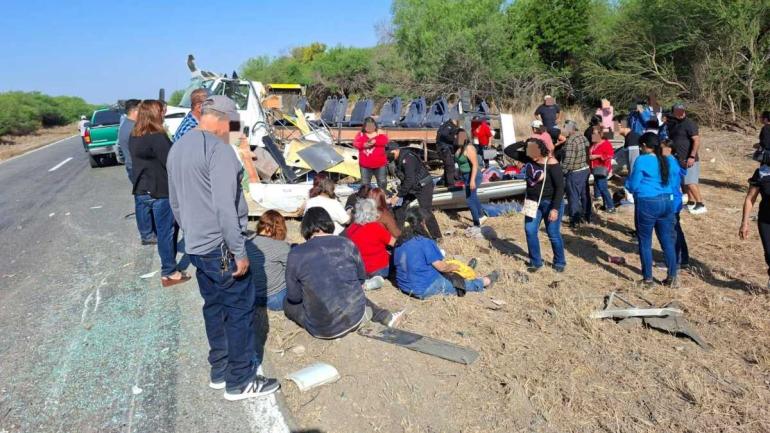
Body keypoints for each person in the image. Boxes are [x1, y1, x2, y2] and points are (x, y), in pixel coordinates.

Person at [167, 95, 279, 400]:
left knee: (213, 307)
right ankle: (241, 380)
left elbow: (175, 203)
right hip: (221, 247)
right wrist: (238, 250)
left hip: (197, 246)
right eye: (233, 124)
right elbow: (225, 207)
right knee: (239, 311)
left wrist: (192, 233)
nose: (235, 130)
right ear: (220, 119)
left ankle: (220, 369)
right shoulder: (220, 151)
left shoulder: (177, 148)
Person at [284, 207, 403, 339]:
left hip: (323, 329)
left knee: (287, 302)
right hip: (355, 316)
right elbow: (361, 279)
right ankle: (380, 315)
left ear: (305, 227)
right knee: (348, 288)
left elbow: (294, 297)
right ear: (328, 223)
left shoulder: (296, 253)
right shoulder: (347, 244)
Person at [129, 100, 188, 287]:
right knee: (167, 232)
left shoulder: (135, 134)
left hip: (143, 190)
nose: (164, 114)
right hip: (160, 191)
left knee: (163, 231)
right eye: (163, 111)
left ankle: (169, 268)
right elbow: (171, 162)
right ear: (156, 113)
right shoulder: (157, 136)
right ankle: (170, 272)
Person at [393, 207, 498, 298]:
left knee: (447, 270)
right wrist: (454, 267)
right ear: (421, 223)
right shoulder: (424, 242)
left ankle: (467, 272)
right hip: (422, 288)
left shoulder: (400, 241)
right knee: (459, 283)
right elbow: (442, 267)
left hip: (404, 286)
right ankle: (485, 282)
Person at [624, 132, 680, 287]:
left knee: (645, 241)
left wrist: (626, 185)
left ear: (643, 146)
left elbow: (634, 184)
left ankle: (648, 279)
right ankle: (673, 276)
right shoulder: (667, 159)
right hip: (667, 201)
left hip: (648, 201)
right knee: (667, 240)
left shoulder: (641, 160)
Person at [522, 138, 566, 272]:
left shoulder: (552, 163)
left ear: (541, 150)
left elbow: (560, 188)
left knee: (552, 233)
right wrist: (525, 143)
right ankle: (536, 262)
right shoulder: (529, 161)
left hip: (550, 203)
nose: (532, 156)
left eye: (534, 152)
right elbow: (509, 150)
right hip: (533, 203)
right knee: (530, 230)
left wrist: (555, 209)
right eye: (529, 152)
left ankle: (559, 261)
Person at [387, 143, 442, 239]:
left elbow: (410, 180)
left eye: (389, 153)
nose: (387, 155)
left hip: (423, 186)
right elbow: (405, 180)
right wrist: (398, 194)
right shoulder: (397, 159)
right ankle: (398, 233)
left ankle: (436, 236)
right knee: (399, 208)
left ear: (395, 150)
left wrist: (398, 195)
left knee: (425, 211)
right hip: (412, 187)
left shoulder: (408, 158)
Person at [668, 103, 706, 214]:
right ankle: (691, 202)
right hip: (679, 159)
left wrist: (692, 156)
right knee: (685, 182)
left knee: (691, 182)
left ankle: (700, 204)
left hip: (690, 159)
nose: (680, 113)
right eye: (677, 111)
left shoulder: (690, 124)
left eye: (682, 111)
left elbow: (696, 140)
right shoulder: (674, 124)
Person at [249, 210, 290, 311]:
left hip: (253, 296)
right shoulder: (281, 246)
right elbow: (291, 271)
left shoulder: (248, 242)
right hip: (277, 297)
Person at [345, 199, 396, 278]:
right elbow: (394, 243)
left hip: (360, 270)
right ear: (373, 212)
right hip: (379, 269)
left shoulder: (351, 228)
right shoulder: (376, 227)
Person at [739, 163, 770, 289]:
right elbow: (750, 199)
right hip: (766, 220)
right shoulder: (762, 173)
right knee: (769, 253)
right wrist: (744, 223)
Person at [660, 139, 689, 268]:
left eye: (661, 148)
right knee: (676, 229)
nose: (659, 150)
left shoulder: (669, 163)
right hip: (675, 199)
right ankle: (682, 259)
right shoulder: (673, 161)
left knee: (672, 231)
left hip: (671, 200)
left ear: (669, 149)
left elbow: (667, 183)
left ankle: (676, 260)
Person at [560, 120, 592, 227]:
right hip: (585, 169)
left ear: (569, 129)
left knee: (573, 196)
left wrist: (562, 172)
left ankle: (575, 220)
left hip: (575, 172)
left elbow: (568, 160)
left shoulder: (571, 141)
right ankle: (587, 216)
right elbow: (588, 152)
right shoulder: (583, 137)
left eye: (564, 128)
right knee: (585, 194)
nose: (563, 130)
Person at [454, 129, 485, 230]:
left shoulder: (469, 148)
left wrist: (472, 181)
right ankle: (481, 216)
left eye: (456, 136)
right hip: (465, 176)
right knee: (473, 196)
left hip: (474, 175)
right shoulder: (459, 149)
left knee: (470, 200)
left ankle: (477, 223)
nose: (455, 138)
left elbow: (475, 165)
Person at [353, 117, 389, 190]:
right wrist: (363, 145)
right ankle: (365, 198)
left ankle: (382, 195)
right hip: (365, 165)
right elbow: (355, 143)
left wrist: (376, 141)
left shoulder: (380, 133)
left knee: (382, 181)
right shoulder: (360, 134)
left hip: (380, 164)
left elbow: (385, 141)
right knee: (365, 183)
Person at [589, 131, 616, 213]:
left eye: (595, 134)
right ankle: (606, 205)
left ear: (600, 135)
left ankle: (611, 206)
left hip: (602, 168)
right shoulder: (594, 143)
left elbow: (610, 155)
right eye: (593, 134)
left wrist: (597, 156)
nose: (593, 135)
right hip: (595, 169)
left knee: (603, 187)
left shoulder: (606, 144)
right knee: (599, 186)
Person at [436, 115, 461, 186]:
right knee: (450, 166)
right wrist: (455, 138)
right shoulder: (448, 125)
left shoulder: (453, 126)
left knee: (449, 166)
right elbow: (444, 134)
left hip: (447, 149)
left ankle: (445, 181)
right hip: (444, 149)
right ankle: (450, 185)